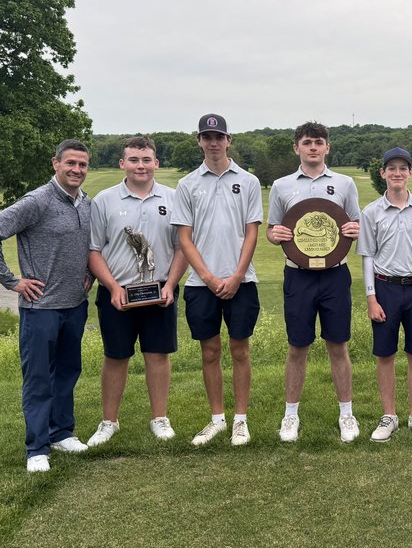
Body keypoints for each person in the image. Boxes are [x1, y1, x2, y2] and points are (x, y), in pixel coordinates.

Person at [86, 136, 188, 446]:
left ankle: (159, 418)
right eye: (133, 160)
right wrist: (113, 287)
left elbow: (181, 246)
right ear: (123, 164)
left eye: (146, 160)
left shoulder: (173, 198)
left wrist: (170, 285)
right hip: (117, 294)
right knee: (115, 356)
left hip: (160, 292)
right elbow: (94, 251)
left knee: (157, 356)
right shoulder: (104, 200)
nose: (140, 166)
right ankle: (109, 422)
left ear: (156, 163)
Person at [0, 140, 93, 472]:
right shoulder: (36, 201)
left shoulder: (86, 204)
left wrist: (90, 276)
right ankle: (36, 447)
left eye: (82, 165)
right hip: (40, 308)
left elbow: (88, 249)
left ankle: (61, 432)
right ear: (56, 164)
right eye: (70, 163)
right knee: (38, 378)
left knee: (67, 372)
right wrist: (11, 281)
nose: (77, 170)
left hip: (75, 305)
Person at [171, 114, 263, 447]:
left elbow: (252, 232)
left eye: (218, 137)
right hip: (201, 285)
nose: (213, 143)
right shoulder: (188, 184)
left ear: (228, 140)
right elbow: (184, 237)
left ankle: (241, 420)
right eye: (207, 137)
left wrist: (237, 275)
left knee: (240, 350)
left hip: (242, 281)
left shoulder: (248, 181)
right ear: (199, 141)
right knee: (209, 352)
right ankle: (217, 419)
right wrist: (208, 277)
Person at [266, 122, 361, 443]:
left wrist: (353, 229)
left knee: (338, 345)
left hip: (335, 275)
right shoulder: (281, 186)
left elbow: (355, 224)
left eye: (319, 142)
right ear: (297, 148)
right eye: (307, 142)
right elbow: (272, 229)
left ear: (327, 147)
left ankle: (346, 413)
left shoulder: (345, 184)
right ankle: (290, 415)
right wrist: (274, 234)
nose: (313, 147)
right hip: (298, 275)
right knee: (297, 347)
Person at [358, 147, 412, 442]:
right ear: (383, 173)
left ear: (410, 173)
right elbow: (367, 256)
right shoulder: (371, 212)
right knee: (385, 354)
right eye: (391, 168)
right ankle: (389, 415)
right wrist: (371, 298)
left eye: (402, 168)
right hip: (385, 288)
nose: (397, 173)